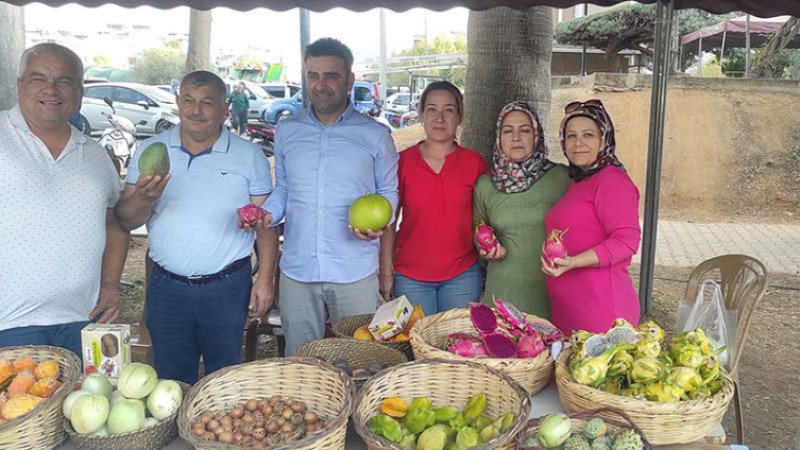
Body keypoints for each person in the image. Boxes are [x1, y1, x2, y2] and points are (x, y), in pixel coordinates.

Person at [115, 70, 276, 384]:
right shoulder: (153, 151)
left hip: (227, 287)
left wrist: (266, 279)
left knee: (224, 378)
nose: (196, 110)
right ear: (177, 103)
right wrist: (145, 198)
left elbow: (266, 223)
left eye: (207, 103)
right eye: (188, 100)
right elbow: (127, 219)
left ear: (225, 109)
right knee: (170, 381)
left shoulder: (249, 155)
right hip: (167, 287)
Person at [262, 38, 399, 356]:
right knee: (302, 358)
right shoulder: (288, 131)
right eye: (313, 75)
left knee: (359, 360)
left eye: (331, 76)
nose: (320, 85)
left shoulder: (375, 135)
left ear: (349, 80)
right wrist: (266, 215)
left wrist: (380, 221)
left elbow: (389, 191)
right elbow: (282, 189)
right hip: (298, 270)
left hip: (353, 269)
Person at [0, 43, 129, 357]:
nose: (51, 89)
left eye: (64, 80)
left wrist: (110, 285)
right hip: (9, 323)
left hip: (83, 321)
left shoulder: (96, 155)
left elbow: (115, 225)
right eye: (38, 78)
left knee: (87, 405)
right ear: (19, 85)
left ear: (80, 91)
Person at [383, 81, 487, 315]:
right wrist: (385, 273)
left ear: (460, 116)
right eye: (431, 109)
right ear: (421, 115)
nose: (440, 118)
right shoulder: (402, 162)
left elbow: (486, 221)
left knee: (455, 346)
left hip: (462, 274)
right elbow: (389, 221)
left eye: (449, 109)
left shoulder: (475, 163)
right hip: (411, 276)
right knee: (420, 346)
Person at [542, 99, 641, 335]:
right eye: (571, 136)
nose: (578, 143)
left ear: (603, 139)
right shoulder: (579, 181)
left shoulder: (612, 181)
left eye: (588, 135)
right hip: (570, 309)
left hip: (602, 311)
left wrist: (574, 262)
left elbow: (627, 241)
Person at [473, 101, 570, 318]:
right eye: (508, 131)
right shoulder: (485, 185)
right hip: (502, 295)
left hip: (551, 296)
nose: (516, 137)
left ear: (536, 135)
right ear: (499, 138)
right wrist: (487, 248)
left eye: (525, 130)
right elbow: (477, 230)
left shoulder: (561, 178)